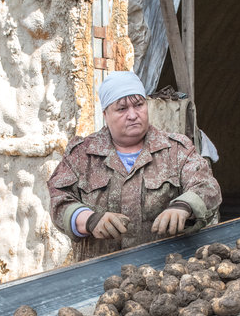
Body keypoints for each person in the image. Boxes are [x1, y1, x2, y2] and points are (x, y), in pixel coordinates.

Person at [48, 71, 221, 261]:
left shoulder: (176, 149)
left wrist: (183, 206)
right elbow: (60, 199)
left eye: (139, 105)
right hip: (99, 275)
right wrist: (89, 219)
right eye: (121, 109)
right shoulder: (82, 155)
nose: (132, 115)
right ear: (105, 114)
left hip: (165, 271)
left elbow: (207, 186)